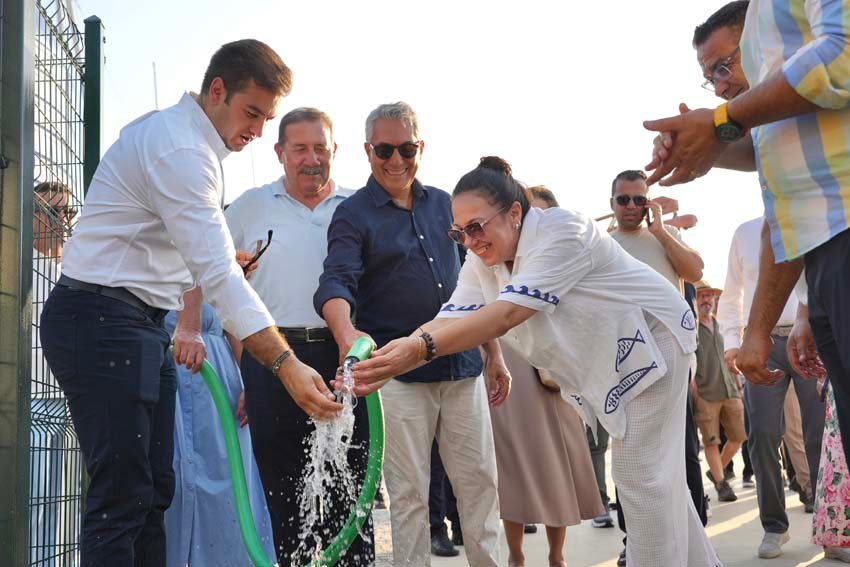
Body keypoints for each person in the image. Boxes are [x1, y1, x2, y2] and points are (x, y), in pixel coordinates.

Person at [39, 40, 342, 566]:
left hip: (137, 321)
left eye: (265, 118)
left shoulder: (190, 145)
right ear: (217, 90)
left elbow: (187, 258)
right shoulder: (181, 149)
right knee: (122, 497)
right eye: (252, 112)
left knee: (154, 490)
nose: (256, 129)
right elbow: (217, 272)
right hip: (101, 319)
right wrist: (286, 365)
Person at [351, 156, 721, 567]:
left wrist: (418, 349)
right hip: (616, 355)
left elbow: (508, 313)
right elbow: (450, 317)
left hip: (655, 338)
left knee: (640, 476)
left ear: (514, 213)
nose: (470, 241)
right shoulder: (482, 260)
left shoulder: (563, 231)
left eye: (477, 227)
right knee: (661, 478)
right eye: (460, 233)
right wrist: (394, 353)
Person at [643, 0, 850, 477]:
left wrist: (719, 122)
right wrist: (709, 142)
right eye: (710, 78)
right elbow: (786, 197)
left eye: (724, 65)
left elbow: (840, 53)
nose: (720, 87)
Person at [313, 102, 503, 567]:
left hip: (463, 369)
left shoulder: (446, 205)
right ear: (366, 150)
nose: (395, 160)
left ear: (421, 147)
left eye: (405, 148)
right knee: (409, 498)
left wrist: (493, 355)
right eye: (384, 149)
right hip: (398, 379)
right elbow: (336, 282)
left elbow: (476, 281)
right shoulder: (353, 214)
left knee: (481, 490)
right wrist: (345, 333)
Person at [224, 106, 373, 565]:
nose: (312, 159)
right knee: (284, 491)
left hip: (343, 356)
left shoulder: (357, 206)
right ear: (279, 152)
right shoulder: (249, 206)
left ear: (335, 151)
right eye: (300, 148)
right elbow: (225, 291)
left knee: (353, 486)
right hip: (272, 357)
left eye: (320, 148)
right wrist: (242, 372)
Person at [490, 187, 604, 567]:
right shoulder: (492, 260)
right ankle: (516, 557)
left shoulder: (564, 251)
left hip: (557, 365)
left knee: (561, 462)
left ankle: (557, 557)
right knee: (512, 463)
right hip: (511, 361)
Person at [162, 301, 275, 566]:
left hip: (216, 378)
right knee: (170, 480)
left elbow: (233, 318)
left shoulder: (214, 262)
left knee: (227, 480)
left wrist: (249, 380)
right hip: (163, 369)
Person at [30, 180, 76, 567]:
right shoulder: (19, 268)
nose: (61, 219)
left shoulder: (78, 269)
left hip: (75, 401)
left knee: (66, 512)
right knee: (34, 504)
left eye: (67, 212)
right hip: (31, 402)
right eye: (52, 211)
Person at [693, 280, 747, 503]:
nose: (706, 300)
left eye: (709, 296)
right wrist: (695, 394)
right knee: (711, 441)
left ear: (715, 300)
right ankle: (721, 483)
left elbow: (730, 356)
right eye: (701, 296)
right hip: (705, 393)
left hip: (730, 389)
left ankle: (716, 470)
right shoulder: (691, 328)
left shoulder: (723, 325)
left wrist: (738, 383)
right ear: (695, 301)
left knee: (738, 437)